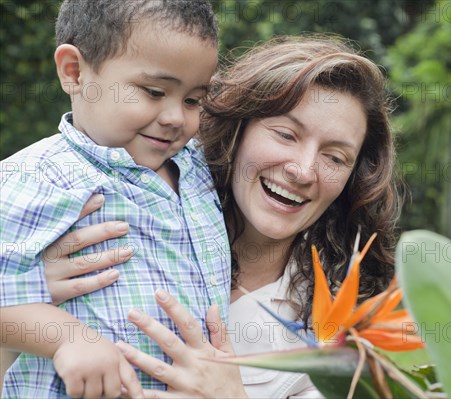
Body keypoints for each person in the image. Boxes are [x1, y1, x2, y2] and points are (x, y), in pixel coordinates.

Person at [38, 35, 402, 398]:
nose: (304, 171)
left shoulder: (346, 331)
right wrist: (28, 296)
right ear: (236, 130)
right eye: (286, 135)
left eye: (335, 158)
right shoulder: (106, 222)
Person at [0, 1, 230, 397]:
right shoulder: (38, 176)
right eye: (154, 92)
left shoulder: (198, 169)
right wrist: (68, 338)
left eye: (193, 100)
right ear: (74, 72)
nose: (177, 117)